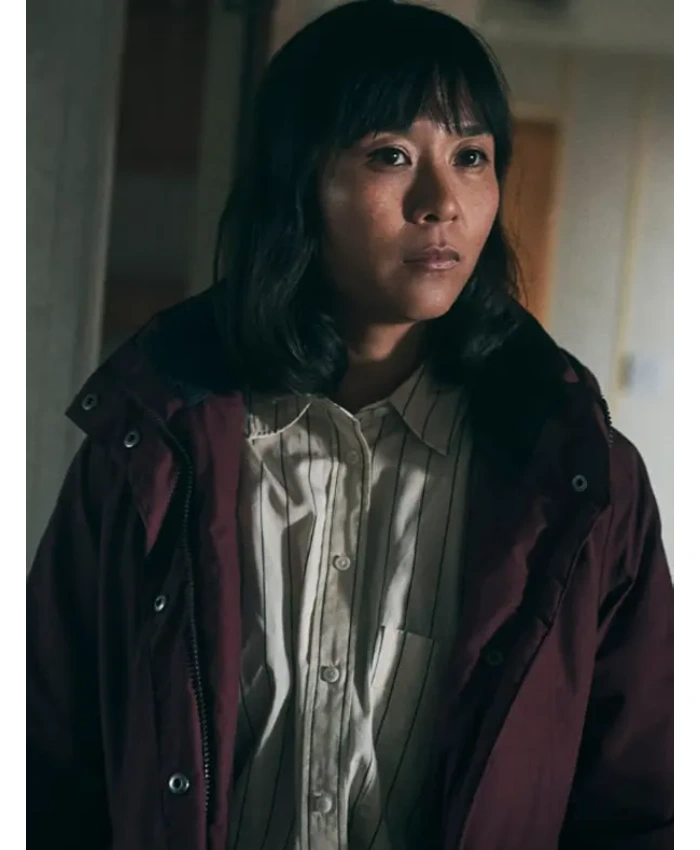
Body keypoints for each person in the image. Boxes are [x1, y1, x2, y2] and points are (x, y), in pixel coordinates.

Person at [26, 2, 673, 849]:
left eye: (471, 157)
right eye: (390, 155)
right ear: (300, 182)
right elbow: (45, 765)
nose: (442, 203)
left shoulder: (582, 481)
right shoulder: (152, 452)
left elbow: (640, 800)